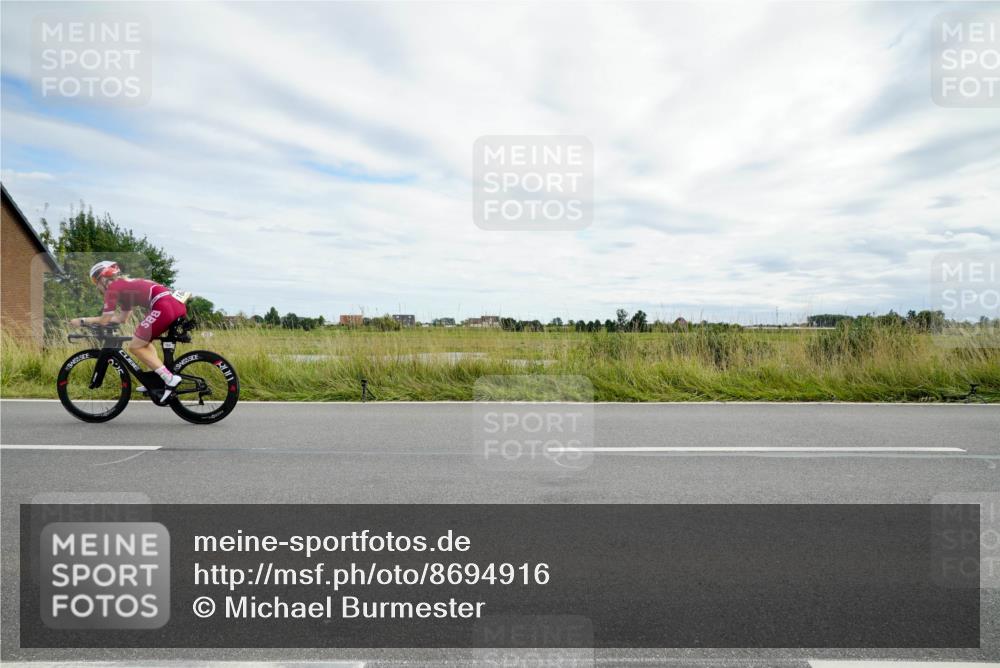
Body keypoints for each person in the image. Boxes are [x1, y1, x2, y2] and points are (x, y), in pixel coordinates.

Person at [70, 261, 187, 401]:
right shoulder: (123, 286)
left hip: (164, 305)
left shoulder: (113, 288)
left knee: (135, 346)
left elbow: (105, 320)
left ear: (103, 278)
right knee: (143, 342)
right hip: (173, 304)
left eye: (95, 281)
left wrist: (82, 321)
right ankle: (157, 377)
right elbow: (122, 318)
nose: (96, 285)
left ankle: (169, 379)